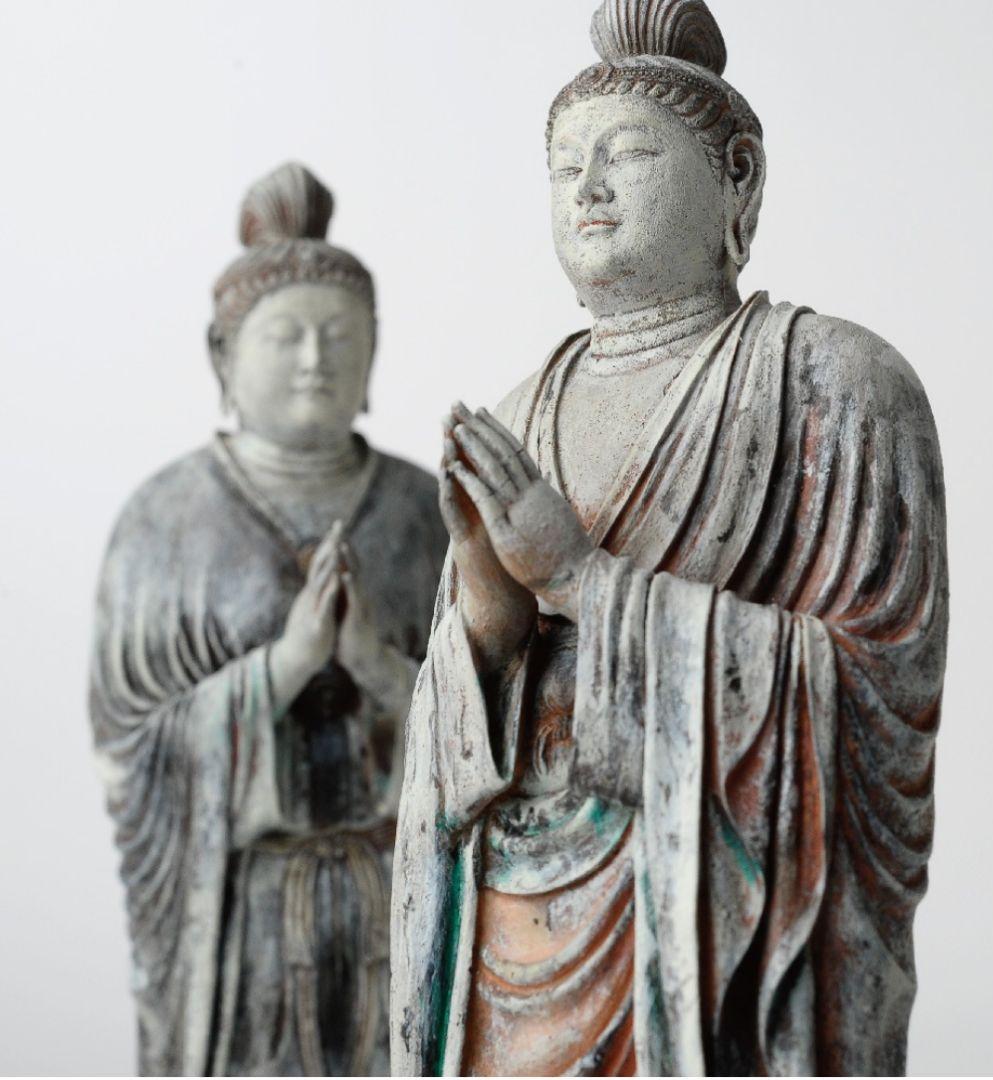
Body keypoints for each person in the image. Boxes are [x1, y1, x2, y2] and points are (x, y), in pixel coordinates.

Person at [390, 2, 948, 1075]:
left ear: (737, 177)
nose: (588, 188)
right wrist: (487, 602)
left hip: (707, 914)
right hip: (515, 913)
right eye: (565, 166)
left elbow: (877, 694)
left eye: (628, 155)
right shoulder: (520, 411)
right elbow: (456, 744)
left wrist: (580, 579)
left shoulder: (834, 385)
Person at [91, 162, 447, 1076]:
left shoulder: (427, 514)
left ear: (375, 351)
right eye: (285, 335)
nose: (314, 359)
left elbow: (501, 726)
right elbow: (130, 748)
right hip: (245, 912)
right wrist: (283, 667)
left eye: (341, 335)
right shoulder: (163, 522)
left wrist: (375, 666)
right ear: (222, 355)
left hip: (399, 896)